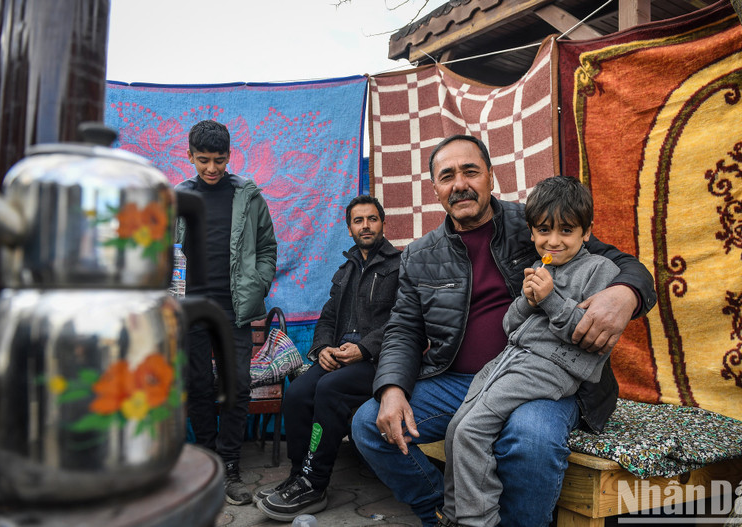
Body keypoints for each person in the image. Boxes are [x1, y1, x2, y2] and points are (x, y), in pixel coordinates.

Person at [350, 135, 657, 527]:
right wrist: (392, 388)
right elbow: (403, 328)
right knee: (369, 423)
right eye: (447, 176)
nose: (460, 183)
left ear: (491, 177)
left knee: (530, 439)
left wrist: (626, 293)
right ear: (436, 190)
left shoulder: (536, 224)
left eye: (470, 171)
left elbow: (620, 263)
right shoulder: (419, 255)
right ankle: (441, 515)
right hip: (460, 380)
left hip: (544, 375)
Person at [439, 176, 623, 527]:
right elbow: (510, 326)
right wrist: (527, 298)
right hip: (511, 359)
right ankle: (452, 515)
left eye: (566, 231)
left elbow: (589, 338)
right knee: (456, 427)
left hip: (550, 368)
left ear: (586, 232)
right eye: (543, 231)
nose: (553, 241)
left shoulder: (601, 271)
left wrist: (551, 299)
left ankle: (477, 521)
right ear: (532, 230)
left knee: (472, 431)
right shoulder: (542, 266)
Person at [255, 195, 401, 521]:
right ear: (349, 228)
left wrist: (364, 348)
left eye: (372, 219)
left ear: (383, 223)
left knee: (330, 389)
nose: (365, 225)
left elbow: (403, 320)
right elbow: (327, 319)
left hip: (378, 360)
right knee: (297, 393)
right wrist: (323, 349)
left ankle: (315, 483)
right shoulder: (345, 270)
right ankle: (299, 475)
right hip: (338, 356)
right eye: (358, 220)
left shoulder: (399, 266)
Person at [176, 120, 277, 506]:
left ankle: (231, 466)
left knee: (236, 387)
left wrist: (259, 283)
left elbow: (268, 246)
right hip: (191, 312)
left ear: (229, 156)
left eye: (219, 160)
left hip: (235, 310)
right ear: (190, 156)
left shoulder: (247, 196)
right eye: (204, 160)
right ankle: (206, 462)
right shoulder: (178, 197)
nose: (212, 169)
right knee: (198, 386)